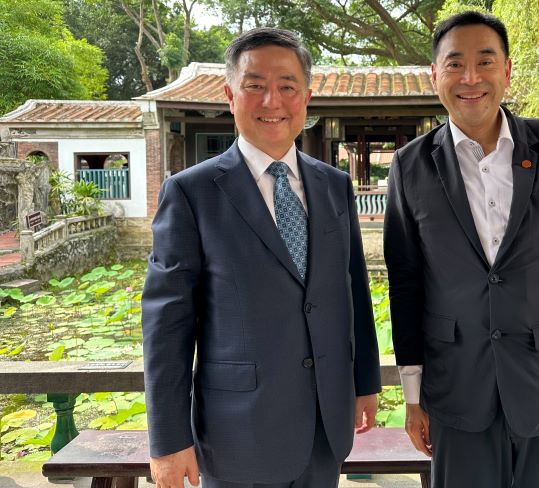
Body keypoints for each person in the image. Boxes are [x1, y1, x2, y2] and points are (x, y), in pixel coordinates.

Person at [384, 11, 539, 487]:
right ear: (434, 75)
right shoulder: (410, 166)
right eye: (455, 64)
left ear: (507, 70)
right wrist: (413, 393)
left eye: (485, 61)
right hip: (457, 387)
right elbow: (406, 280)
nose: (470, 78)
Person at [142, 27, 381, 488]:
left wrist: (365, 381)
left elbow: (352, 289)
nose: (273, 101)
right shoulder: (191, 193)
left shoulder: (334, 186)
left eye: (287, 86)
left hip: (324, 423)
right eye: (255, 85)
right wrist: (169, 440)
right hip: (237, 433)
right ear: (230, 95)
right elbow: (166, 326)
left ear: (306, 98)